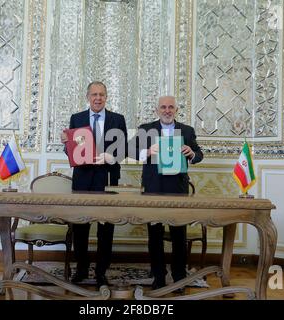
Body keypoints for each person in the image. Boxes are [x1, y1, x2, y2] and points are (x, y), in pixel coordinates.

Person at [131, 95, 203, 290]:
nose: (167, 110)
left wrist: (192, 153)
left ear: (176, 110)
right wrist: (147, 152)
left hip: (178, 189)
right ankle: (159, 277)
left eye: (171, 107)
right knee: (154, 236)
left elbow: (199, 155)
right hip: (153, 188)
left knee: (179, 235)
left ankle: (179, 278)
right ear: (157, 110)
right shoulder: (146, 129)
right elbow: (130, 150)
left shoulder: (187, 131)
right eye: (163, 107)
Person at [61, 81, 127, 288]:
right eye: (94, 95)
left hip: (107, 177)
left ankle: (101, 272)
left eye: (101, 94)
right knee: (80, 226)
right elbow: (71, 151)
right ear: (87, 97)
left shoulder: (118, 119)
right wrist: (66, 144)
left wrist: (111, 157)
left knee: (106, 228)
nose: (98, 98)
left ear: (106, 97)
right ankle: (81, 269)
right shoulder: (77, 118)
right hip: (83, 178)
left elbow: (124, 149)